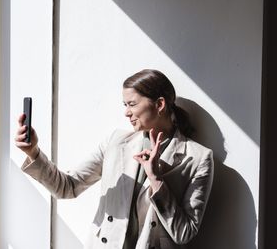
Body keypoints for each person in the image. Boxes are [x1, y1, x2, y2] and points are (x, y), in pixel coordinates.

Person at [15, 69, 214, 249]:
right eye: (125, 105)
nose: (126, 112)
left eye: (132, 104)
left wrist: (156, 179)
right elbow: (67, 187)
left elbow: (184, 233)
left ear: (159, 104)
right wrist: (33, 152)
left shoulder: (198, 158)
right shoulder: (116, 142)